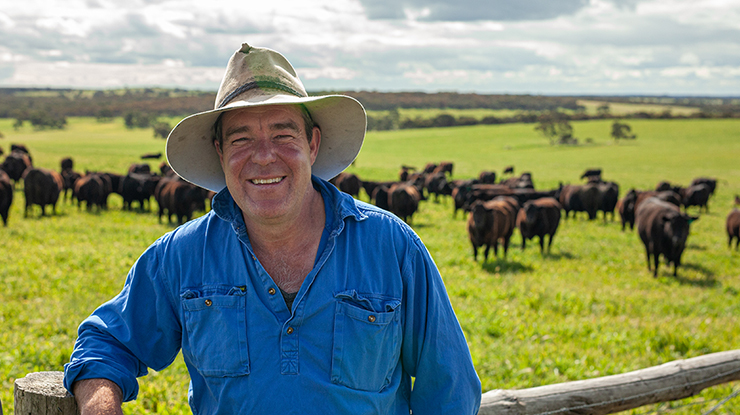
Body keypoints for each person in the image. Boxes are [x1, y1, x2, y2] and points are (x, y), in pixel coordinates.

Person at [64, 42, 481, 415]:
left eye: (283, 134)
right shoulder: (181, 256)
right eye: (242, 139)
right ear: (220, 152)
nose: (264, 157)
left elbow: (449, 392)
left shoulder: (393, 247)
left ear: (312, 144)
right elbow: (106, 345)